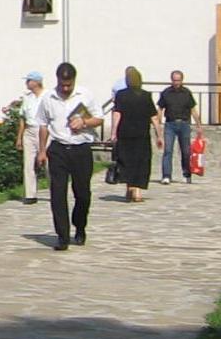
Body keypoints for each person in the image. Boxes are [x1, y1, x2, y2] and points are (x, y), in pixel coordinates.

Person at [35, 61, 104, 250]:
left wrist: (84, 122)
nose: (65, 88)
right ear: (57, 80)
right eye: (63, 84)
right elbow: (42, 125)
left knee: (82, 194)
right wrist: (42, 151)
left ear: (74, 81)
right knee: (57, 193)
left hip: (81, 149)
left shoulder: (85, 95)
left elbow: (99, 118)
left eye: (69, 85)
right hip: (58, 150)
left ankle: (80, 226)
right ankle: (62, 236)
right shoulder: (48, 97)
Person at [110, 66, 162, 203]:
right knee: (141, 162)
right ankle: (137, 191)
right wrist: (159, 135)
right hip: (141, 134)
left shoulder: (121, 95)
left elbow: (117, 114)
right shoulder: (146, 96)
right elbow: (154, 117)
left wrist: (113, 132)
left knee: (127, 161)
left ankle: (129, 188)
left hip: (125, 133)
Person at [157, 71, 198, 184]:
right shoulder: (166, 93)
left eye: (178, 80)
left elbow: (193, 110)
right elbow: (160, 109)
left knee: (186, 151)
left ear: (182, 80)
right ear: (171, 80)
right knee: (168, 150)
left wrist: (199, 125)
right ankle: (166, 175)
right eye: (174, 80)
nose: (176, 82)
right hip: (170, 124)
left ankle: (186, 174)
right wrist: (159, 124)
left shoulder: (186, 93)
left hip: (184, 124)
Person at [15, 70, 45, 203]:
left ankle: (56, 191)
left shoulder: (48, 96)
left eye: (29, 81)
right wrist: (19, 137)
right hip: (30, 130)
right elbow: (22, 118)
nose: (27, 83)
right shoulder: (27, 98)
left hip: (44, 130)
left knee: (49, 162)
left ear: (36, 82)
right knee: (28, 163)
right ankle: (30, 194)